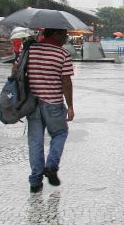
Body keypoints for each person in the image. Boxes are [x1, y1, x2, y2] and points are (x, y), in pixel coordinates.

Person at [19, 28, 75, 193]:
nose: (66, 37)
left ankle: (35, 182)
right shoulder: (62, 54)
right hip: (53, 104)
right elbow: (66, 81)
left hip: (32, 104)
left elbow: (16, 70)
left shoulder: (29, 50)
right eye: (64, 34)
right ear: (55, 34)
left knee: (35, 141)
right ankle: (51, 166)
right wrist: (70, 106)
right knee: (60, 134)